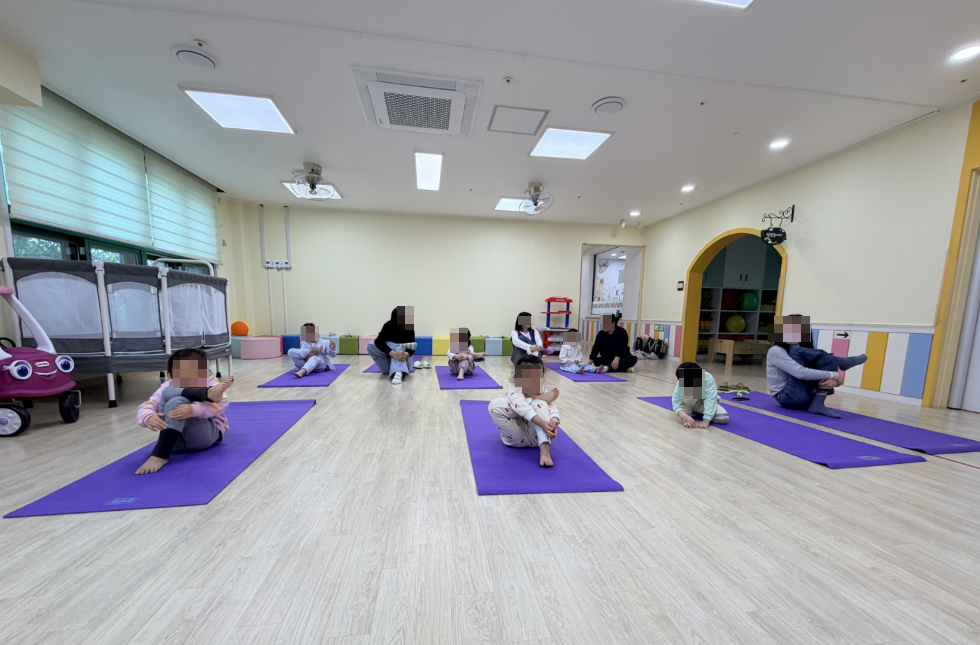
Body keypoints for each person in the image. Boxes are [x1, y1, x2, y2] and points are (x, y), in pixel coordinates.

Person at [135, 348, 233, 475]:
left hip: (204, 437)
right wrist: (148, 417)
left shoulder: (211, 383)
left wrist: (193, 410)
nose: (186, 377)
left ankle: (160, 454)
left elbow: (222, 403)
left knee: (177, 400)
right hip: (175, 442)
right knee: (168, 392)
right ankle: (206, 394)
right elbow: (147, 405)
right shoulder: (169, 385)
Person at [767, 314, 867, 418]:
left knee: (828, 359)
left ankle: (818, 403)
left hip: (809, 396)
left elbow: (816, 372)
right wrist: (834, 375)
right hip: (788, 398)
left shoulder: (805, 350)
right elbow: (799, 372)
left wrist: (834, 381)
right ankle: (841, 361)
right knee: (797, 352)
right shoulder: (776, 350)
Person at [487, 355, 560, 467]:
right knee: (495, 405)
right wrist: (537, 403)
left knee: (541, 404)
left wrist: (554, 418)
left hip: (537, 437)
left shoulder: (541, 388)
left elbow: (551, 405)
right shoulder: (513, 386)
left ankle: (545, 450)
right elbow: (519, 405)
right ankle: (535, 402)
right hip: (516, 438)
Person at [367, 306, 418, 385]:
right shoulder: (388, 325)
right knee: (370, 345)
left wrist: (407, 354)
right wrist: (392, 353)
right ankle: (399, 346)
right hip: (387, 366)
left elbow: (412, 349)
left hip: (404, 362)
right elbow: (378, 342)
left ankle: (399, 373)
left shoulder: (409, 328)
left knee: (399, 349)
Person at [671, 362, 729, 428]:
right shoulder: (682, 381)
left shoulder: (708, 378)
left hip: (702, 405)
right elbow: (676, 402)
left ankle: (702, 413)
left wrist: (706, 420)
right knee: (690, 394)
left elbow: (710, 398)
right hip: (690, 404)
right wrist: (685, 416)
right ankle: (688, 414)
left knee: (723, 417)